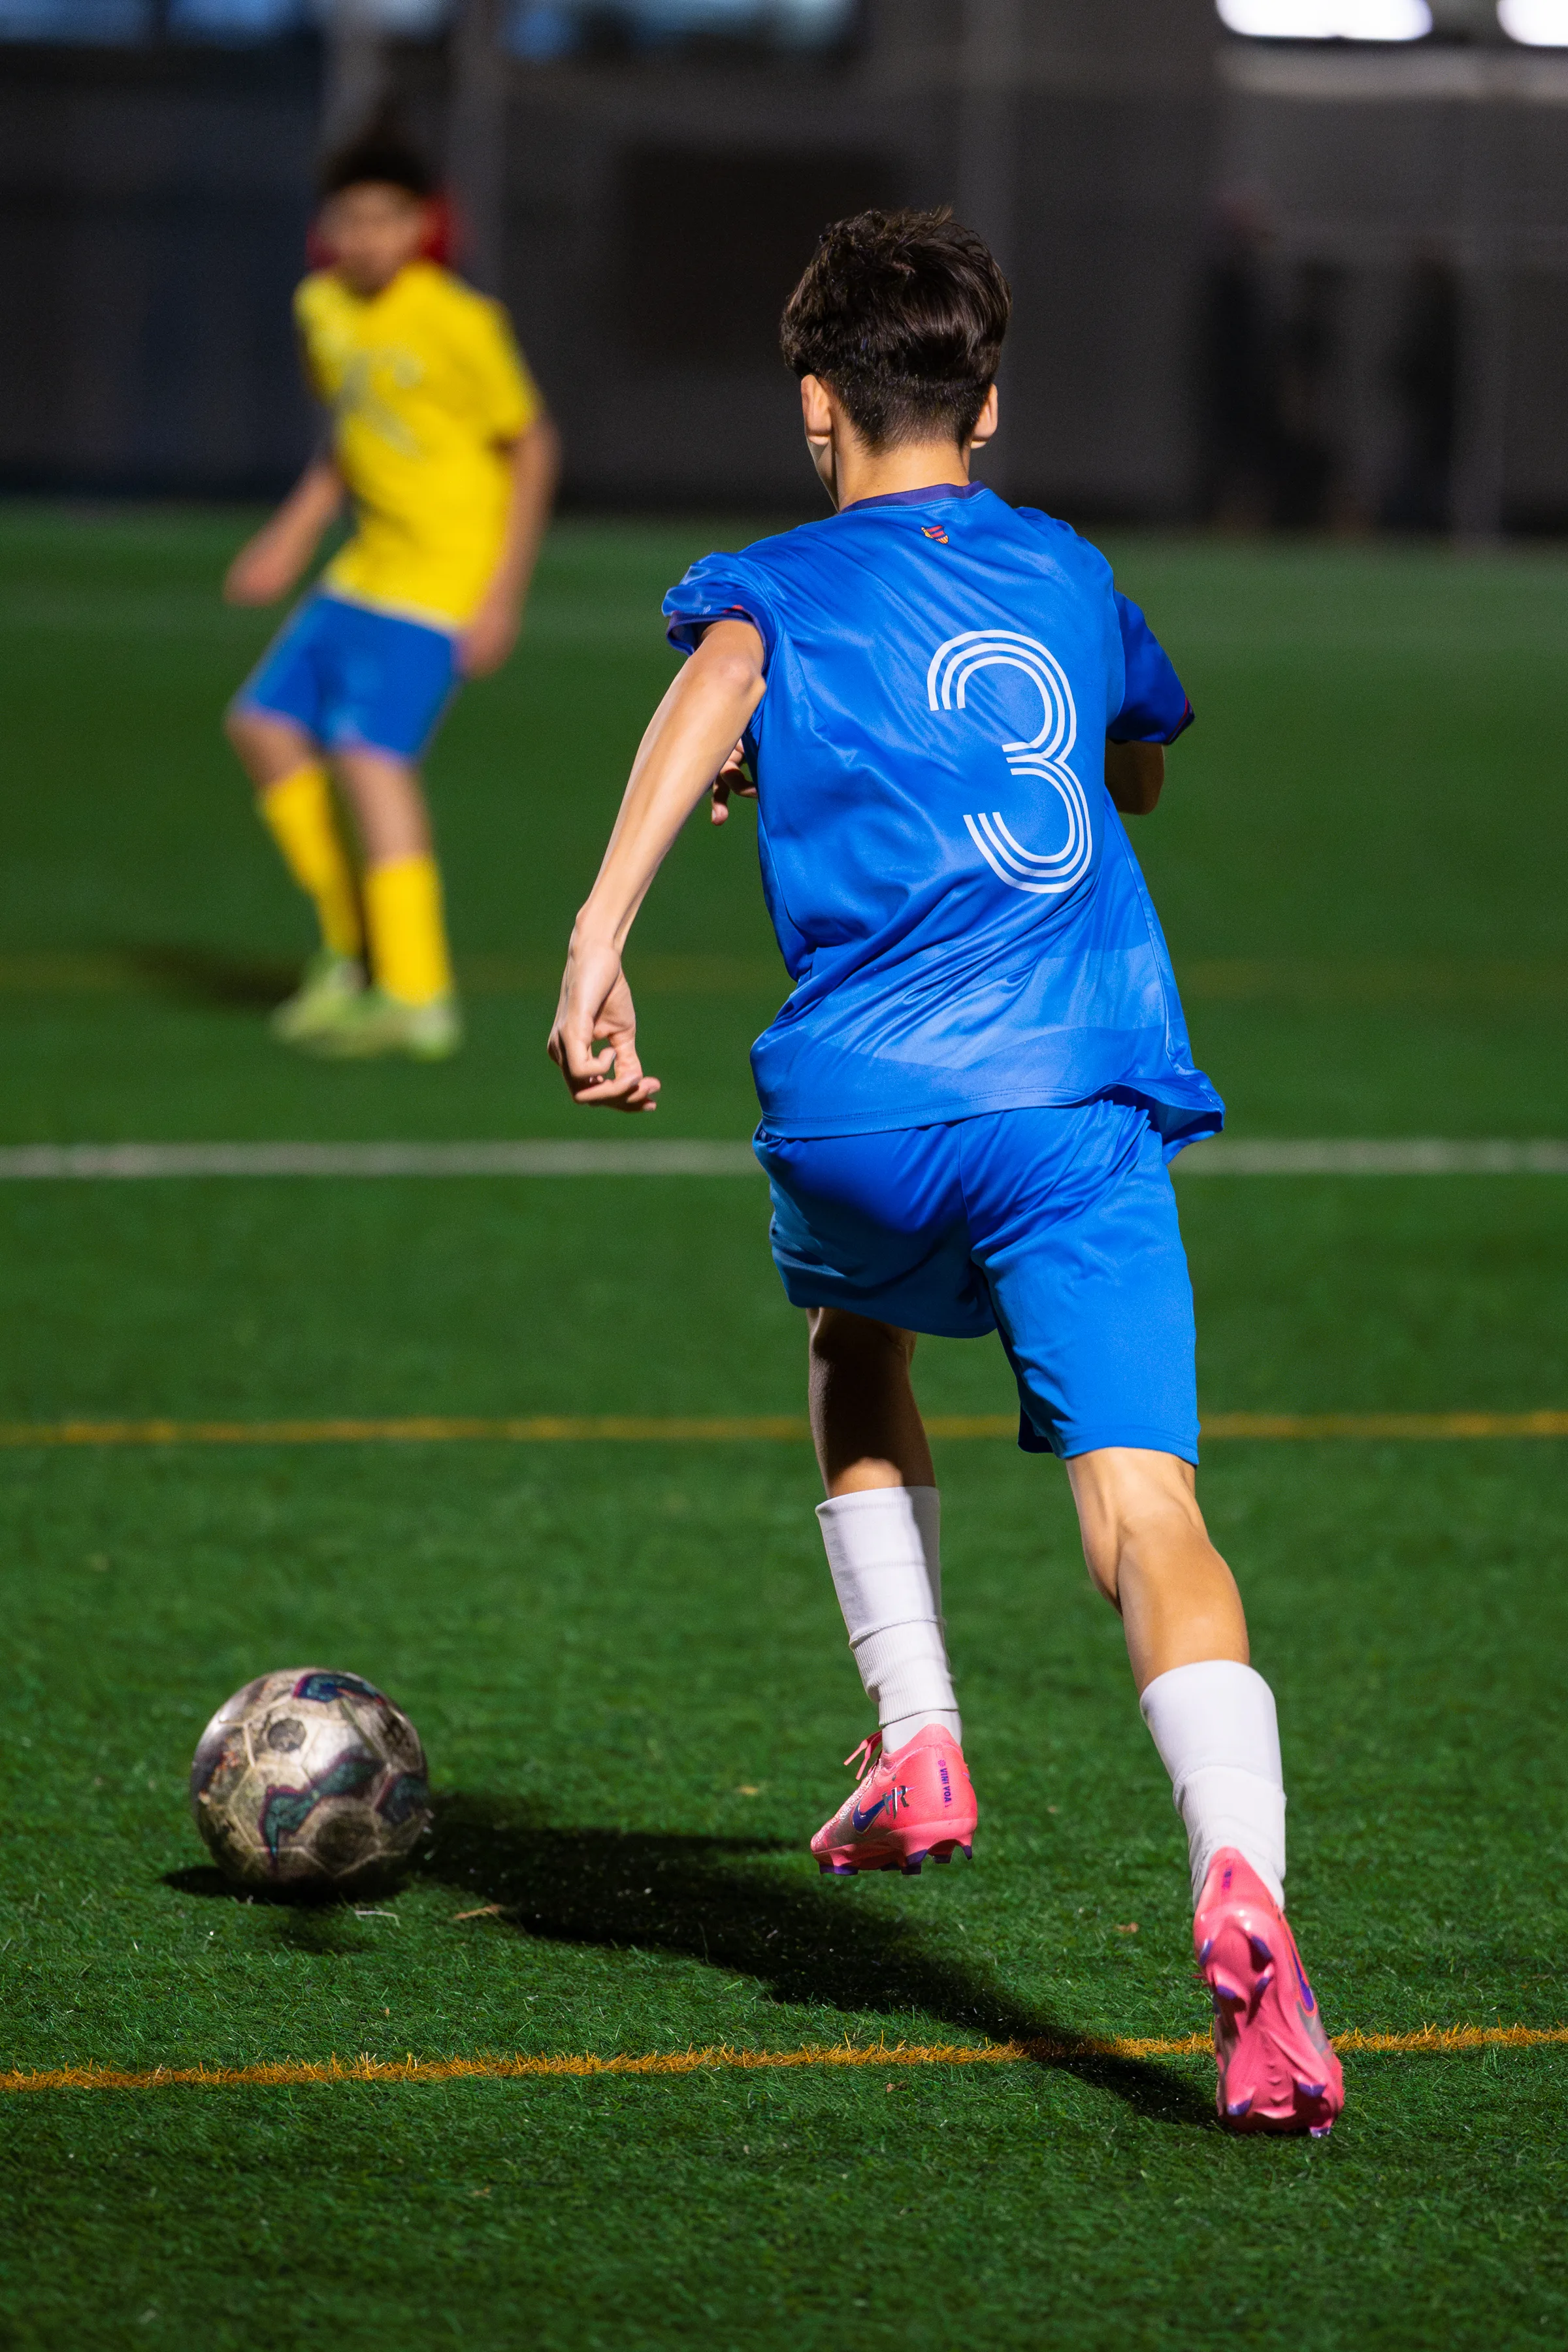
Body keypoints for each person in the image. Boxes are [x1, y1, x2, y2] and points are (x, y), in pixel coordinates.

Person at [547, 208, 1344, 2137]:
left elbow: (717, 690)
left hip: (865, 1118)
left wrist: (601, 932)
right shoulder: (1068, 573)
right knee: (1145, 1516)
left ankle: (920, 1739)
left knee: (849, 1337)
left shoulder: (775, 583)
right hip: (1072, 1101)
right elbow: (1130, 758)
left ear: (817, 409)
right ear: (987, 406)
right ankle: (1244, 1892)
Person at [223, 113, 559, 1058]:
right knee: (263, 728)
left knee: (371, 761)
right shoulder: (320, 309)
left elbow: (531, 446)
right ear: (326, 227)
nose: (367, 236)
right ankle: (350, 946)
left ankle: (417, 993)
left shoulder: (460, 321)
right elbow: (350, 432)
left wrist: (502, 594)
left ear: (424, 226)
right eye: (350, 218)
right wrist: (289, 537)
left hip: (440, 579)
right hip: (364, 568)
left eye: (388, 218)